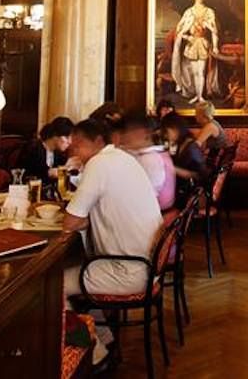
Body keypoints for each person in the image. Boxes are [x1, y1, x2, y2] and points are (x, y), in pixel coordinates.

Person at [62, 120, 163, 364]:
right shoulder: (123, 158)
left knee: (53, 285)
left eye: (79, 146)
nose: (75, 153)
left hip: (128, 270)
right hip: (146, 267)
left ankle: (94, 356)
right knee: (83, 272)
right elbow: (96, 216)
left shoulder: (99, 164)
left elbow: (70, 222)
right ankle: (103, 338)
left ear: (98, 142)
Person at [120, 111, 175, 211]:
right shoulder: (147, 153)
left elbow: (146, 198)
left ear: (143, 133)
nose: (124, 138)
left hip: (156, 215)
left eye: (128, 132)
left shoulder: (151, 159)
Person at [172, 0, 218, 104]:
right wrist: (188, 37)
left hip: (202, 43)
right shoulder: (189, 12)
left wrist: (215, 46)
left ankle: (200, 96)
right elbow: (179, 31)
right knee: (195, 72)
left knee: (201, 72)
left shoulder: (209, 12)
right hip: (191, 44)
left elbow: (214, 31)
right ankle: (197, 95)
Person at [162, 112, 209, 204]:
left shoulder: (191, 147)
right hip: (184, 190)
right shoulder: (182, 144)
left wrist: (172, 168)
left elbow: (199, 175)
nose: (166, 136)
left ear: (175, 129)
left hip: (193, 196)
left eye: (167, 132)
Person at [20, 117, 73, 185]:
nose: (69, 142)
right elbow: (25, 175)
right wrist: (48, 173)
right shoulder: (32, 149)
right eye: (66, 137)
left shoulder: (58, 154)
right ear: (55, 135)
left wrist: (68, 165)